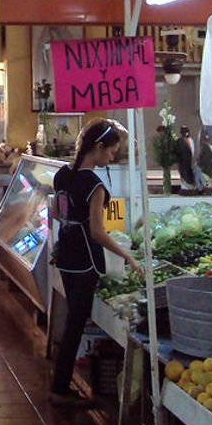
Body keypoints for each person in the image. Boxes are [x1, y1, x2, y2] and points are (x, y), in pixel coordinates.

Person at [50, 120, 142, 407]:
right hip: (85, 260)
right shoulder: (94, 184)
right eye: (112, 152)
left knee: (72, 321)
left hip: (65, 254)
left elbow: (55, 212)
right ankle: (60, 390)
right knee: (76, 323)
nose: (112, 158)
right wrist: (127, 256)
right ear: (98, 148)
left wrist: (70, 224)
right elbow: (98, 232)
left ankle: (59, 385)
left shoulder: (63, 174)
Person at [173, 125, 195, 192]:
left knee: (188, 174)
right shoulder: (179, 141)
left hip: (188, 161)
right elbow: (175, 151)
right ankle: (184, 188)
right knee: (183, 174)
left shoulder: (190, 140)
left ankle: (189, 188)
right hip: (182, 162)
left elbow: (192, 151)